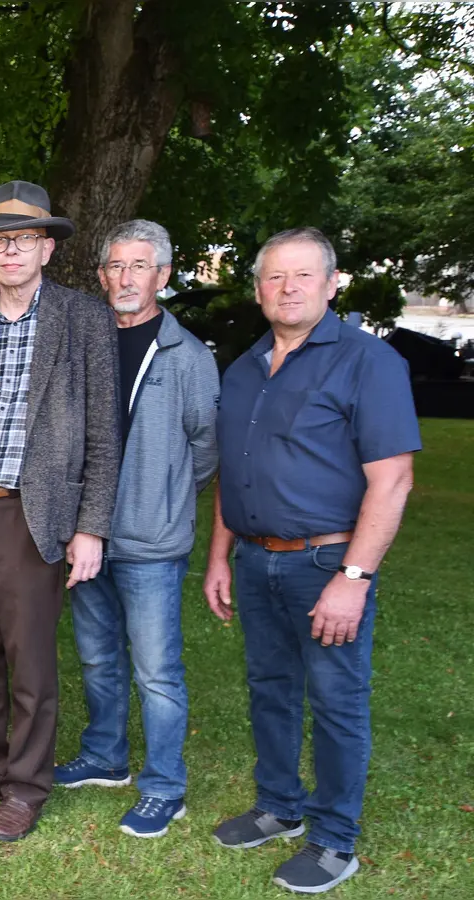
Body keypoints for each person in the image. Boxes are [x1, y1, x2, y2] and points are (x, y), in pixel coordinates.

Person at [204, 227, 418, 894]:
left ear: (331, 284)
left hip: (327, 563)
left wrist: (354, 579)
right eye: (274, 276)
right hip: (255, 560)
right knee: (269, 689)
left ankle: (333, 840)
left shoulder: (368, 361)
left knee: (335, 701)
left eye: (303, 275)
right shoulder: (244, 367)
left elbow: (393, 479)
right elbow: (234, 469)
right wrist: (219, 556)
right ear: (258, 289)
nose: (288, 288)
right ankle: (279, 806)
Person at [0, 180, 120, 842]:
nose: (10, 251)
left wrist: (91, 526)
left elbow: (104, 433)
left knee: (30, 663)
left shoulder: (83, 320)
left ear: (46, 249)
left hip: (31, 515)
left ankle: (27, 788)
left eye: (24, 239)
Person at [52, 220, 219, 838]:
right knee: (97, 657)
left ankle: (165, 787)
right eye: (116, 266)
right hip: (87, 535)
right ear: (102, 275)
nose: (126, 278)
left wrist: (164, 497)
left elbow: (205, 446)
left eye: (139, 266)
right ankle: (105, 755)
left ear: (163, 276)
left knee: (156, 671)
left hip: (152, 542)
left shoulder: (188, 356)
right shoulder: (85, 343)